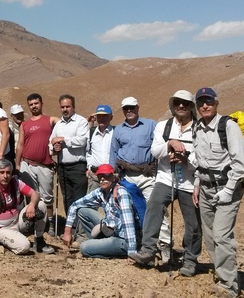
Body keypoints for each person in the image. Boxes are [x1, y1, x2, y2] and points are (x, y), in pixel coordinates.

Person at [129, 90, 202, 277]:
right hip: (165, 178)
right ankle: (148, 250)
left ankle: (190, 260)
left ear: (191, 106)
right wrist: (169, 144)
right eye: (177, 102)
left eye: (185, 103)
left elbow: (203, 158)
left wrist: (186, 158)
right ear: (173, 105)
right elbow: (154, 151)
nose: (181, 106)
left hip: (189, 182)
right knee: (153, 208)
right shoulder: (163, 126)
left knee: (193, 223)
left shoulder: (200, 129)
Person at [192, 88, 244, 298]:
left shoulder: (229, 127)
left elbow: (241, 164)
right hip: (206, 189)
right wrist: (197, 184)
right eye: (200, 103)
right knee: (209, 236)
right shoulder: (197, 128)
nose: (204, 106)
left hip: (227, 189)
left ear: (216, 103)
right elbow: (200, 162)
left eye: (208, 101)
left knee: (221, 236)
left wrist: (228, 190)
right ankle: (223, 273)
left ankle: (229, 287)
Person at [110, 96, 171, 262]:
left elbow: (159, 147)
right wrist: (112, 175)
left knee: (157, 211)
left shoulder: (151, 125)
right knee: (130, 211)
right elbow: (113, 153)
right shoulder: (118, 130)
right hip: (126, 178)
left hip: (148, 177)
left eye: (131, 107)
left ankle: (165, 245)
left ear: (138, 108)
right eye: (125, 108)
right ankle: (139, 247)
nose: (128, 111)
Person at [0, 159, 55, 254]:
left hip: (17, 222)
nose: (5, 176)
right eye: (1, 172)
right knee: (25, 246)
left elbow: (35, 194)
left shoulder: (16, 183)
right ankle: (6, 239)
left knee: (41, 205)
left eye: (8, 172)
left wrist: (31, 205)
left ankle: (39, 240)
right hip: (0, 227)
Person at [61, 164, 138, 258]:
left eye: (106, 176)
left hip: (123, 239)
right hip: (111, 230)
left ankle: (109, 251)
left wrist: (132, 252)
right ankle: (99, 245)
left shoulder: (121, 193)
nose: (102, 179)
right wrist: (67, 230)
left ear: (113, 178)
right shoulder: (100, 193)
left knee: (84, 247)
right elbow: (74, 205)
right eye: (100, 176)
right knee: (82, 211)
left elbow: (128, 223)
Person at [16, 93, 60, 236]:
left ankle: (50, 223)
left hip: (45, 165)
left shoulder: (50, 120)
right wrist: (17, 164)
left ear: (41, 103)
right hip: (27, 164)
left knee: (47, 196)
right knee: (30, 195)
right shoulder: (25, 124)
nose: (34, 106)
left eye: (36, 103)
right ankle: (33, 221)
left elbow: (65, 124)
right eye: (31, 104)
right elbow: (20, 145)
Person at [50, 94, 89, 216]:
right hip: (62, 167)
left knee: (79, 198)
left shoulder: (81, 121)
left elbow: (82, 141)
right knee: (67, 198)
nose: (65, 109)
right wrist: (54, 147)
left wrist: (64, 139)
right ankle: (70, 226)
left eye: (68, 106)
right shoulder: (58, 124)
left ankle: (80, 229)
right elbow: (51, 141)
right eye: (62, 107)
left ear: (73, 106)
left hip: (78, 166)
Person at [86, 104, 115, 192]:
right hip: (95, 176)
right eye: (99, 116)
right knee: (90, 204)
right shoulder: (91, 132)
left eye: (105, 116)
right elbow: (88, 152)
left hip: (110, 175)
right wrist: (89, 167)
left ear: (111, 117)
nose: (102, 118)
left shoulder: (116, 132)